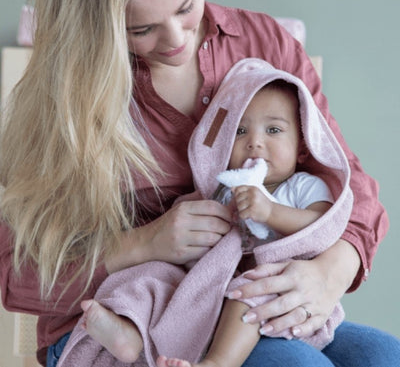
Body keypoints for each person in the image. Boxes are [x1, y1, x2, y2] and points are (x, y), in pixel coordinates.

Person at [0, 0, 399, 366]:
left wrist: (330, 272)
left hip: (242, 298)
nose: (176, 39)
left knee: (384, 356)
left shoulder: (263, 44)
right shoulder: (65, 99)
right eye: (142, 29)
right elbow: (13, 274)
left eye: (187, 6)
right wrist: (145, 243)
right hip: (129, 317)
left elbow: (348, 183)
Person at [79, 78, 336, 366]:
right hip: (210, 280)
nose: (255, 142)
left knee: (248, 293)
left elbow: (321, 226)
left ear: (302, 148)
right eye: (240, 131)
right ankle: (130, 334)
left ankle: (217, 362)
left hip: (269, 281)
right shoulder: (226, 187)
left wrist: (270, 212)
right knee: (155, 279)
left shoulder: (304, 186)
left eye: (273, 130)